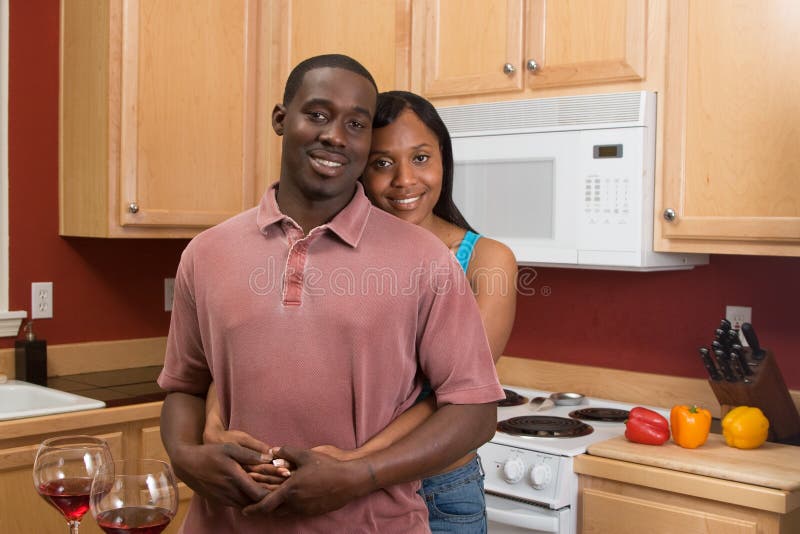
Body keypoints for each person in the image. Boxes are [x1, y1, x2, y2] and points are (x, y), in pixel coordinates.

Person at [158, 54, 504, 534]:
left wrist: (357, 475)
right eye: (317, 114)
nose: (335, 136)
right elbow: (186, 386)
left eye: (355, 124)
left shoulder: (426, 259)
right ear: (281, 118)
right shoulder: (205, 253)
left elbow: (475, 412)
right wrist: (184, 457)